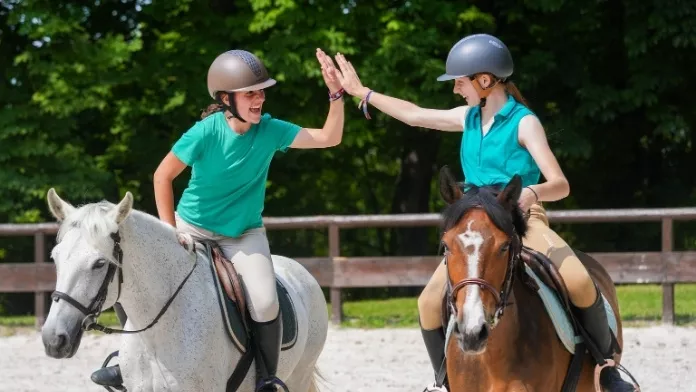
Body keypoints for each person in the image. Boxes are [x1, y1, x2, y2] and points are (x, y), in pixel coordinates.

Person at [332, 34, 634, 392]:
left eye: (460, 82)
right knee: (429, 302)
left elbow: (561, 183)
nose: (457, 89)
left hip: (521, 216)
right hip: (475, 221)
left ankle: (607, 370)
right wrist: (363, 93)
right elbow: (414, 115)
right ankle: (444, 380)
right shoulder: (468, 118)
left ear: (485, 81)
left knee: (581, 282)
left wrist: (532, 193)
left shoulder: (524, 123)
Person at [90, 48, 345, 392]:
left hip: (243, 234)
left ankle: (267, 378)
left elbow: (331, 137)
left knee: (266, 300)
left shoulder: (271, 130)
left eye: (261, 91)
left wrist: (336, 93)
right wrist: (169, 229)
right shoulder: (204, 132)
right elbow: (162, 176)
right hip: (191, 227)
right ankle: (126, 361)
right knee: (139, 276)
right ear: (227, 99)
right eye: (250, 93)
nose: (259, 99)